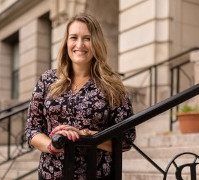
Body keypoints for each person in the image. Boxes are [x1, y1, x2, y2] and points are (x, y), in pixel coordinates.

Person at [25, 13, 136, 180]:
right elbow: (32, 130)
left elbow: (126, 139)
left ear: (96, 43)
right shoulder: (47, 80)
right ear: (66, 42)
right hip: (51, 175)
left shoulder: (112, 85)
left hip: (96, 175)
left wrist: (84, 134)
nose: (79, 44)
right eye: (73, 37)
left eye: (87, 38)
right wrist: (53, 145)